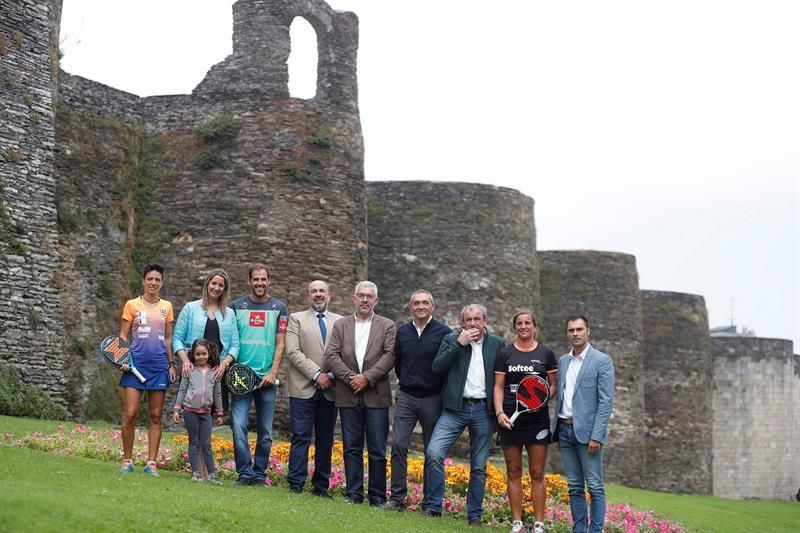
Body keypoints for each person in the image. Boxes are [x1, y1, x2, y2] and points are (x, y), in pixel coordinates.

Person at [423, 304, 506, 526]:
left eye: (476, 319)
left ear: (485, 320)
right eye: (468, 320)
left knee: (478, 465)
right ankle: (433, 506)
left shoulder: (497, 344)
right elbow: (437, 367)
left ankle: (474, 515)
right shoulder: (452, 340)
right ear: (463, 323)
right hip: (455, 408)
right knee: (434, 453)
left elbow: (503, 380)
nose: (472, 324)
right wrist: (459, 344)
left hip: (483, 410)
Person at [324, 281, 396, 507]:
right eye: (361, 296)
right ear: (353, 298)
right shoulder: (341, 325)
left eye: (369, 296)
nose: (365, 300)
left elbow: (390, 355)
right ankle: (353, 494)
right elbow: (332, 355)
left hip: (376, 394)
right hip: (348, 393)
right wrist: (350, 378)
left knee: (377, 449)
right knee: (351, 447)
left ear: (376, 301)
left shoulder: (387, 325)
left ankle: (377, 497)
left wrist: (367, 378)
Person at [385, 289, 452, 511]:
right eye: (416, 303)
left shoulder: (444, 332)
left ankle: (431, 504)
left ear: (432, 306)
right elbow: (398, 362)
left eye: (425, 303)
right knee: (399, 445)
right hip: (406, 396)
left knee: (432, 451)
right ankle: (397, 499)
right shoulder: (403, 332)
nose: (420, 306)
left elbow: (448, 364)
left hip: (433, 398)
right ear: (411, 307)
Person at [494, 311, 557, 533]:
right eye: (519, 323)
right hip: (510, 421)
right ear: (515, 327)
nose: (523, 326)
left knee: (537, 472)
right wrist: (500, 413)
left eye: (527, 323)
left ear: (534, 326)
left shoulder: (546, 353)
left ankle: (538, 524)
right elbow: (499, 387)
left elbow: (553, 385)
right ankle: (517, 523)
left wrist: (539, 400)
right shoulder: (505, 353)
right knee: (513, 471)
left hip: (537, 421)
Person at [551, 315, 614, 533]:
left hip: (589, 435)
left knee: (595, 487)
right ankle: (579, 530)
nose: (575, 334)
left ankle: (595, 531)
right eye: (571, 330)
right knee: (574, 486)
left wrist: (597, 435)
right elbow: (562, 398)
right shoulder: (563, 361)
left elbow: (605, 402)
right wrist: (557, 433)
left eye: (579, 329)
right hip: (565, 429)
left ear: (588, 331)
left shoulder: (601, 361)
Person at [228, 264, 288, 486]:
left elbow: (280, 344)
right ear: (249, 281)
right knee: (238, 426)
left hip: (267, 380)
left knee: (265, 431)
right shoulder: (236, 307)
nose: (260, 283)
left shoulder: (279, 308)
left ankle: (260, 474)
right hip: (241, 378)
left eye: (264, 279)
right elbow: (231, 341)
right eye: (256, 279)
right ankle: (245, 473)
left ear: (269, 281)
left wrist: (273, 372)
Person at [285, 280, 343, 497]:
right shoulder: (296, 319)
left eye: (322, 291)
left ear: (329, 295)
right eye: (314, 291)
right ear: (308, 296)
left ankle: (321, 486)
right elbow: (293, 352)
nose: (318, 295)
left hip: (331, 388)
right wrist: (317, 374)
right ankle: (296, 483)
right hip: (303, 388)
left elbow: (345, 354)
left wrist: (331, 376)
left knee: (326, 438)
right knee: (300, 436)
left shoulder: (341, 321)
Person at [118, 263, 176, 476]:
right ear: (143, 280)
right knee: (131, 414)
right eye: (150, 279)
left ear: (162, 283)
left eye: (157, 280)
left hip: (159, 367)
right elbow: (123, 336)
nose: (153, 283)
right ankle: (127, 460)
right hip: (133, 366)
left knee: (155, 416)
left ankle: (151, 463)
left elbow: (168, 338)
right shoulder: (131, 304)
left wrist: (171, 364)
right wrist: (122, 358)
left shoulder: (167, 307)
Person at [172, 269, 240, 411]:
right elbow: (177, 339)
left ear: (225, 289)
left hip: (216, 372)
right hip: (193, 370)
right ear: (207, 284)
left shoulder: (230, 313)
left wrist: (223, 365)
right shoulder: (190, 308)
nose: (216, 288)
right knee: (192, 412)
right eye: (213, 283)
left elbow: (235, 346)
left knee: (211, 418)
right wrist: (185, 361)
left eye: (221, 285)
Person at [172, 338, 224, 484]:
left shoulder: (215, 372)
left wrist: (219, 413)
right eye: (198, 354)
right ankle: (196, 473)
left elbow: (217, 394)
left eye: (204, 354)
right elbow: (182, 390)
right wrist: (177, 409)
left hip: (206, 413)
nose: (201, 357)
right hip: (190, 411)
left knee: (206, 443)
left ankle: (213, 474)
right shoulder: (189, 370)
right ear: (193, 355)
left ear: (209, 354)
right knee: (194, 442)